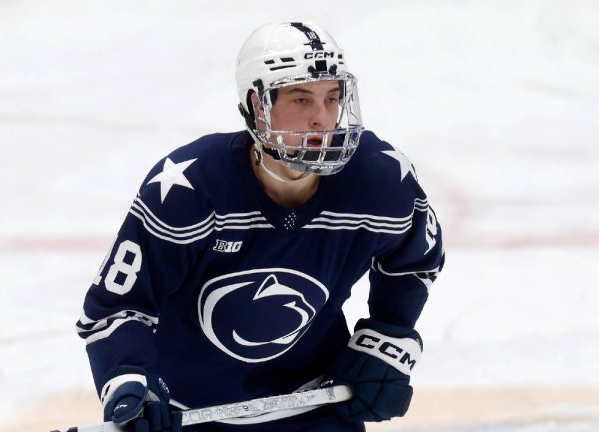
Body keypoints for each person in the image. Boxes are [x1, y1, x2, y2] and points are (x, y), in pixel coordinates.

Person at [76, 21, 445, 432]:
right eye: (302, 99)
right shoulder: (191, 190)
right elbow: (119, 306)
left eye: (333, 98)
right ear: (257, 104)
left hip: (314, 405)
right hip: (186, 412)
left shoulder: (378, 180)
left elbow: (415, 260)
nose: (323, 119)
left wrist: (387, 341)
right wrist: (131, 381)